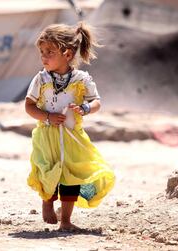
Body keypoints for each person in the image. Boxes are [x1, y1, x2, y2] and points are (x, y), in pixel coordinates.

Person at [25, 22, 115, 231]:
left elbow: (96, 102)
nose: (44, 57)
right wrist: (47, 116)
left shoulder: (82, 80)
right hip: (47, 138)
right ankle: (47, 202)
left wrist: (85, 108)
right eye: (42, 52)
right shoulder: (41, 79)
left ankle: (66, 221)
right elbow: (29, 107)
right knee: (47, 172)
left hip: (73, 137)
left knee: (71, 177)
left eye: (50, 51)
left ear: (67, 54)